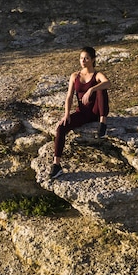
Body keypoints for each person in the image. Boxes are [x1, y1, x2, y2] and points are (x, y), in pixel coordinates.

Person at [49, 46, 111, 179]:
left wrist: (92, 89)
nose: (83, 60)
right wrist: (66, 115)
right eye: (81, 58)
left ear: (93, 59)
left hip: (96, 111)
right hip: (82, 113)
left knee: (101, 89)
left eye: (86, 58)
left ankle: (102, 123)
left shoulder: (97, 75)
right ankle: (57, 165)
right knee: (61, 128)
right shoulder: (75, 76)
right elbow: (69, 96)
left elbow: (107, 83)